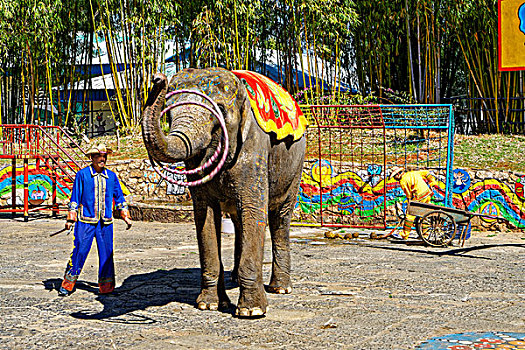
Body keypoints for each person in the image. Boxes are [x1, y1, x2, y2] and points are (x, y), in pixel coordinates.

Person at [59, 143, 132, 296]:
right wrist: (71, 218)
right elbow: (75, 197)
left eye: (104, 156)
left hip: (105, 223)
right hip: (85, 221)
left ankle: (106, 287)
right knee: (80, 251)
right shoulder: (82, 175)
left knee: (107, 254)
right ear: (92, 157)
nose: (102, 159)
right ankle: (68, 284)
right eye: (99, 156)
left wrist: (125, 214)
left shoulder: (111, 176)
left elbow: (119, 197)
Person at [390, 166, 438, 240]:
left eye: (394, 176)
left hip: (419, 196)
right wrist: (432, 182)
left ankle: (404, 235)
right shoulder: (413, 173)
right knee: (423, 215)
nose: (394, 178)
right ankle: (425, 235)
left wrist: (409, 205)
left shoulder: (403, 182)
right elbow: (426, 173)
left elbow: (409, 195)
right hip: (427, 194)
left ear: (399, 174)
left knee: (410, 216)